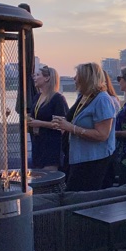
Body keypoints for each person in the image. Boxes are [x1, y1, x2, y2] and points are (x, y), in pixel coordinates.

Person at [52, 62, 116, 192]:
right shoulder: (85, 97)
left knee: (79, 198)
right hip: (79, 158)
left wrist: (72, 128)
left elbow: (103, 135)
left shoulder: (102, 99)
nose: (74, 78)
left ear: (87, 78)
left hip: (93, 161)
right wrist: (65, 123)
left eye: (77, 75)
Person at [27, 65, 68, 170]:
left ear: (47, 78)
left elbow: (62, 125)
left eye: (37, 75)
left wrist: (40, 123)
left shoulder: (57, 99)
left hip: (51, 145)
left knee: (49, 177)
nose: (34, 78)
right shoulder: (37, 97)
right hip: (37, 143)